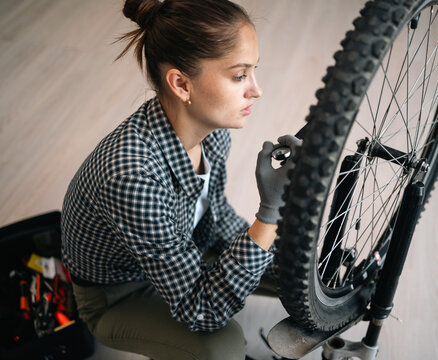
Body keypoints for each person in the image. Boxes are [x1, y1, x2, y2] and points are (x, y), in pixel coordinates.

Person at [60, 0, 302, 359]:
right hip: (119, 294)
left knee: (296, 263)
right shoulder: (131, 176)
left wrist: (286, 251)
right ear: (181, 84)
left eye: (253, 72)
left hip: (181, 253)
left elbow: (214, 215)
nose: (256, 89)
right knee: (221, 347)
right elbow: (201, 308)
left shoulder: (212, 132)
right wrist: (269, 214)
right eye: (239, 76)